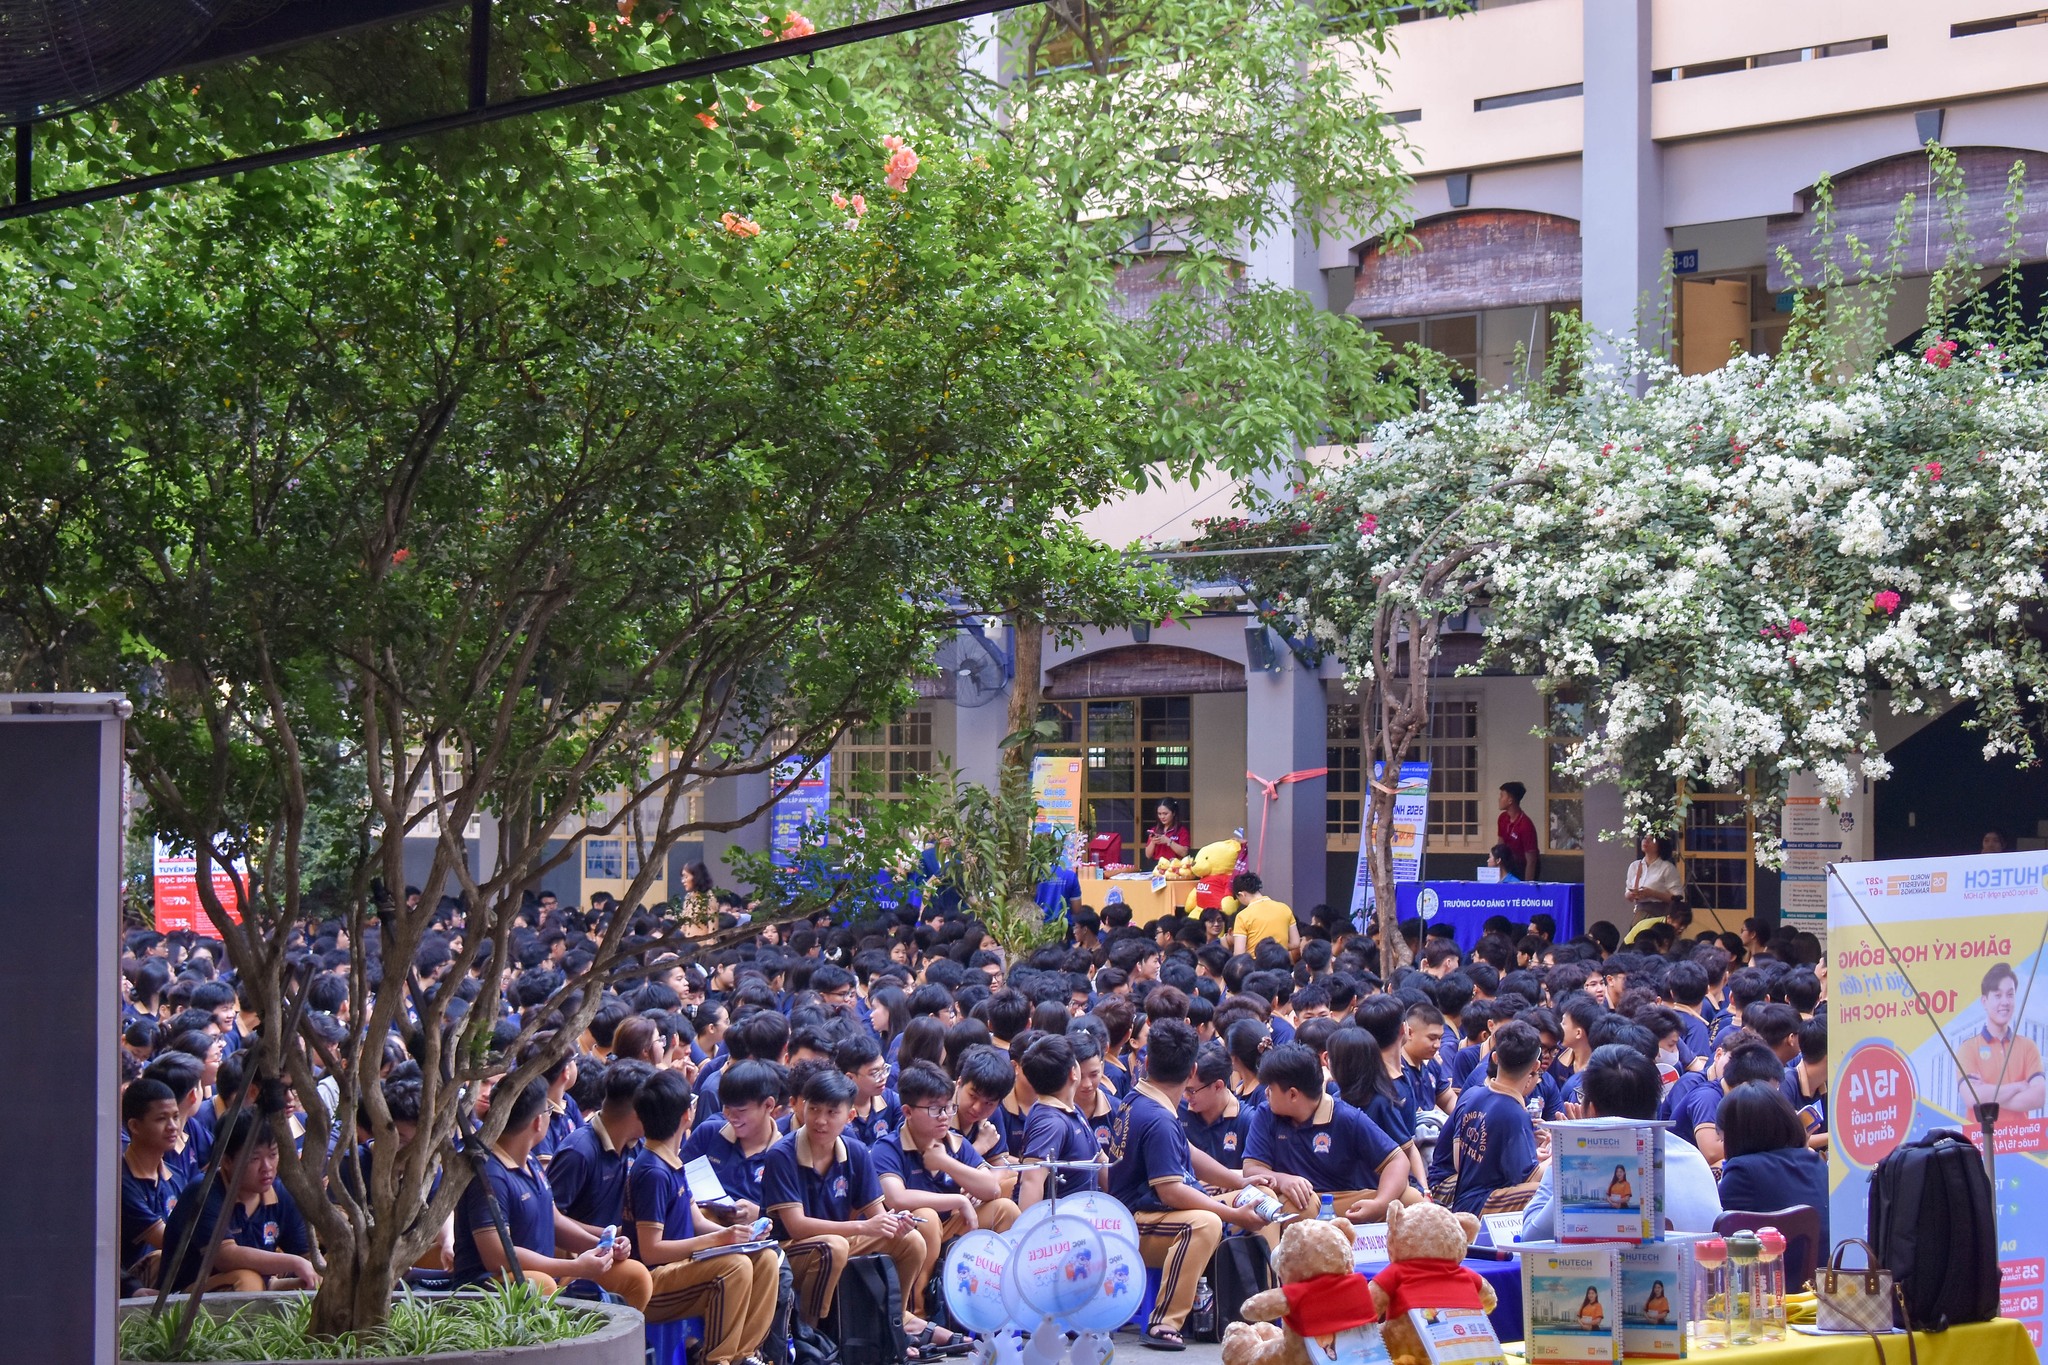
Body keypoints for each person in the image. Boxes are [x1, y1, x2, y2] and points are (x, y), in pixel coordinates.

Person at [1105, 1018, 1272, 1350]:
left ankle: (1264, 1306)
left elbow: (1189, 1152)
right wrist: (1232, 1214)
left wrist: (1240, 1180)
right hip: (1133, 1224)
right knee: (1205, 1223)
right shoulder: (1158, 1117)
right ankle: (1163, 1322)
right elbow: (1170, 1191)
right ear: (1192, 1069)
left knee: (1260, 1195)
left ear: (1147, 1062)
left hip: (1154, 1212)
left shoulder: (1142, 1098)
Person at [451, 1077, 653, 1308]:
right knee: (540, 1284)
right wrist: (574, 1267)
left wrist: (603, 1246)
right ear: (538, 1121)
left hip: (547, 1276)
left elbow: (554, 1220)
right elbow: (497, 1257)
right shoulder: (490, 1174)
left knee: (634, 1276)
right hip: (489, 1288)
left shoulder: (530, 1160)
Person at [623, 1070, 781, 1364]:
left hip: (679, 1269)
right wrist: (718, 1240)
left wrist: (743, 1237)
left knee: (765, 1258)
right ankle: (717, 1359)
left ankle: (744, 1355)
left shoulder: (672, 1161)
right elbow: (651, 1251)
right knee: (733, 1267)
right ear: (688, 1114)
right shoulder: (653, 1172)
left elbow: (697, 1221)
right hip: (653, 1281)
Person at [760, 1069, 934, 1335]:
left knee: (911, 1241)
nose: (820, 1120)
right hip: (788, 1250)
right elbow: (796, 1227)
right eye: (814, 1109)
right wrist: (863, 1227)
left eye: (832, 1112)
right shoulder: (781, 1154)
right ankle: (811, 1335)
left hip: (839, 1240)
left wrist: (895, 1223)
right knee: (833, 1247)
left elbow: (877, 1216)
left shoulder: (856, 1152)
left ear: (849, 1116)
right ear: (803, 1107)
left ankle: (893, 1324)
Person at [1520, 1045, 1720, 1240]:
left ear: (1592, 1109)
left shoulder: (1591, 1169)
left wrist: (1567, 1152)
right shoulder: (1693, 1156)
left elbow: (1531, 1235)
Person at [1244, 1042, 1408, 1228]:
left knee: (1410, 1198)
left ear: (1293, 1095)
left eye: (1271, 1089)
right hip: (1295, 1202)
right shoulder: (1266, 1114)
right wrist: (1282, 1180)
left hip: (1339, 1201)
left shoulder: (1346, 1117)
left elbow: (1397, 1160)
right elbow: (1251, 1169)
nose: (1266, 1093)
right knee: (1302, 1205)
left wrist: (1381, 1203)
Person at [161, 1112, 320, 1294]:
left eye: (273, 1154)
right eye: (254, 1158)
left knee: (322, 1278)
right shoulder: (204, 1191)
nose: (267, 1167)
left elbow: (306, 1254)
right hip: (185, 1295)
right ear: (227, 1161)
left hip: (264, 1284)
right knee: (247, 1280)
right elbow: (224, 1256)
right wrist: (294, 1263)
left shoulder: (280, 1193)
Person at [1428, 1020, 1542, 1214]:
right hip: (1480, 1203)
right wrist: (1559, 1153)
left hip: (1462, 1196)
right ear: (1535, 1066)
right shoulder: (1515, 1113)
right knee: (1548, 1189)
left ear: (1495, 1058)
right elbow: (1529, 1177)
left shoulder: (1474, 1095)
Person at [1715, 1082, 1830, 1248]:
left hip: (1774, 1264)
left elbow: (1723, 1239)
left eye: (1722, 1139)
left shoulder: (1741, 1172)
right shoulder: (1815, 1162)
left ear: (1736, 1134)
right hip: (1830, 1264)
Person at [550, 1059, 654, 1238]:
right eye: (654, 1108)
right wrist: (611, 1236)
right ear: (639, 1111)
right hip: (587, 1252)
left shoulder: (639, 1144)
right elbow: (550, 1219)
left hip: (619, 1246)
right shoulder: (578, 1152)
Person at [1016, 1035, 1105, 1204]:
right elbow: (1031, 1182)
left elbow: (1101, 1162)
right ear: (1073, 1072)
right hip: (1060, 1218)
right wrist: (1031, 1222)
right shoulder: (1051, 1124)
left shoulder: (1072, 1110)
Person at [119, 1078, 184, 1286]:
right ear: (134, 1126)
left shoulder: (176, 1176)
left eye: (176, 1117)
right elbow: (169, 1242)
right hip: (131, 1283)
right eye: (161, 1119)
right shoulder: (121, 1181)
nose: (173, 1127)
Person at [1962, 963, 2045, 1117]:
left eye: (2010, 995)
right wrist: (2018, 1087)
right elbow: (1971, 1097)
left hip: (2021, 1132)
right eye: (1998, 995)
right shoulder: (1969, 1048)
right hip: (1981, 1132)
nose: (2005, 1002)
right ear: (1984, 1001)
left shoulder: (2028, 1046)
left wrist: (1987, 1095)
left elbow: (2039, 1097)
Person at [1229, 873, 1299, 960]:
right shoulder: (1285, 908)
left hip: (1256, 964)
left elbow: (1239, 953)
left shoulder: (1242, 916)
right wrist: (1277, 949)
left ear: (1242, 894)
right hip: (1281, 962)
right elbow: (1295, 943)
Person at [1623, 835, 1682, 920]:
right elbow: (1628, 892)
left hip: (1659, 912)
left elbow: (1677, 897)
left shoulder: (1667, 867)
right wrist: (1632, 894)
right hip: (1640, 912)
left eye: (1651, 840)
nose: (1646, 841)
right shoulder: (1635, 866)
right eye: (1644, 838)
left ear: (1660, 844)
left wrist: (1652, 893)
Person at [1497, 782, 1540, 882]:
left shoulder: (1525, 825)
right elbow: (1500, 847)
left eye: (1502, 796)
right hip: (1509, 864)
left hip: (1524, 867)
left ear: (1510, 800)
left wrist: (1527, 885)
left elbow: (1531, 860)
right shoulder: (1502, 818)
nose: (1499, 799)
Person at [1144, 800, 1192, 869]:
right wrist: (1153, 842)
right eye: (1159, 814)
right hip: (1158, 866)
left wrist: (1168, 841)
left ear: (1173, 813)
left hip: (1175, 866)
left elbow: (1184, 853)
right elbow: (1148, 855)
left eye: (1165, 814)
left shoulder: (1182, 830)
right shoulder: (1154, 830)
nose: (1162, 817)